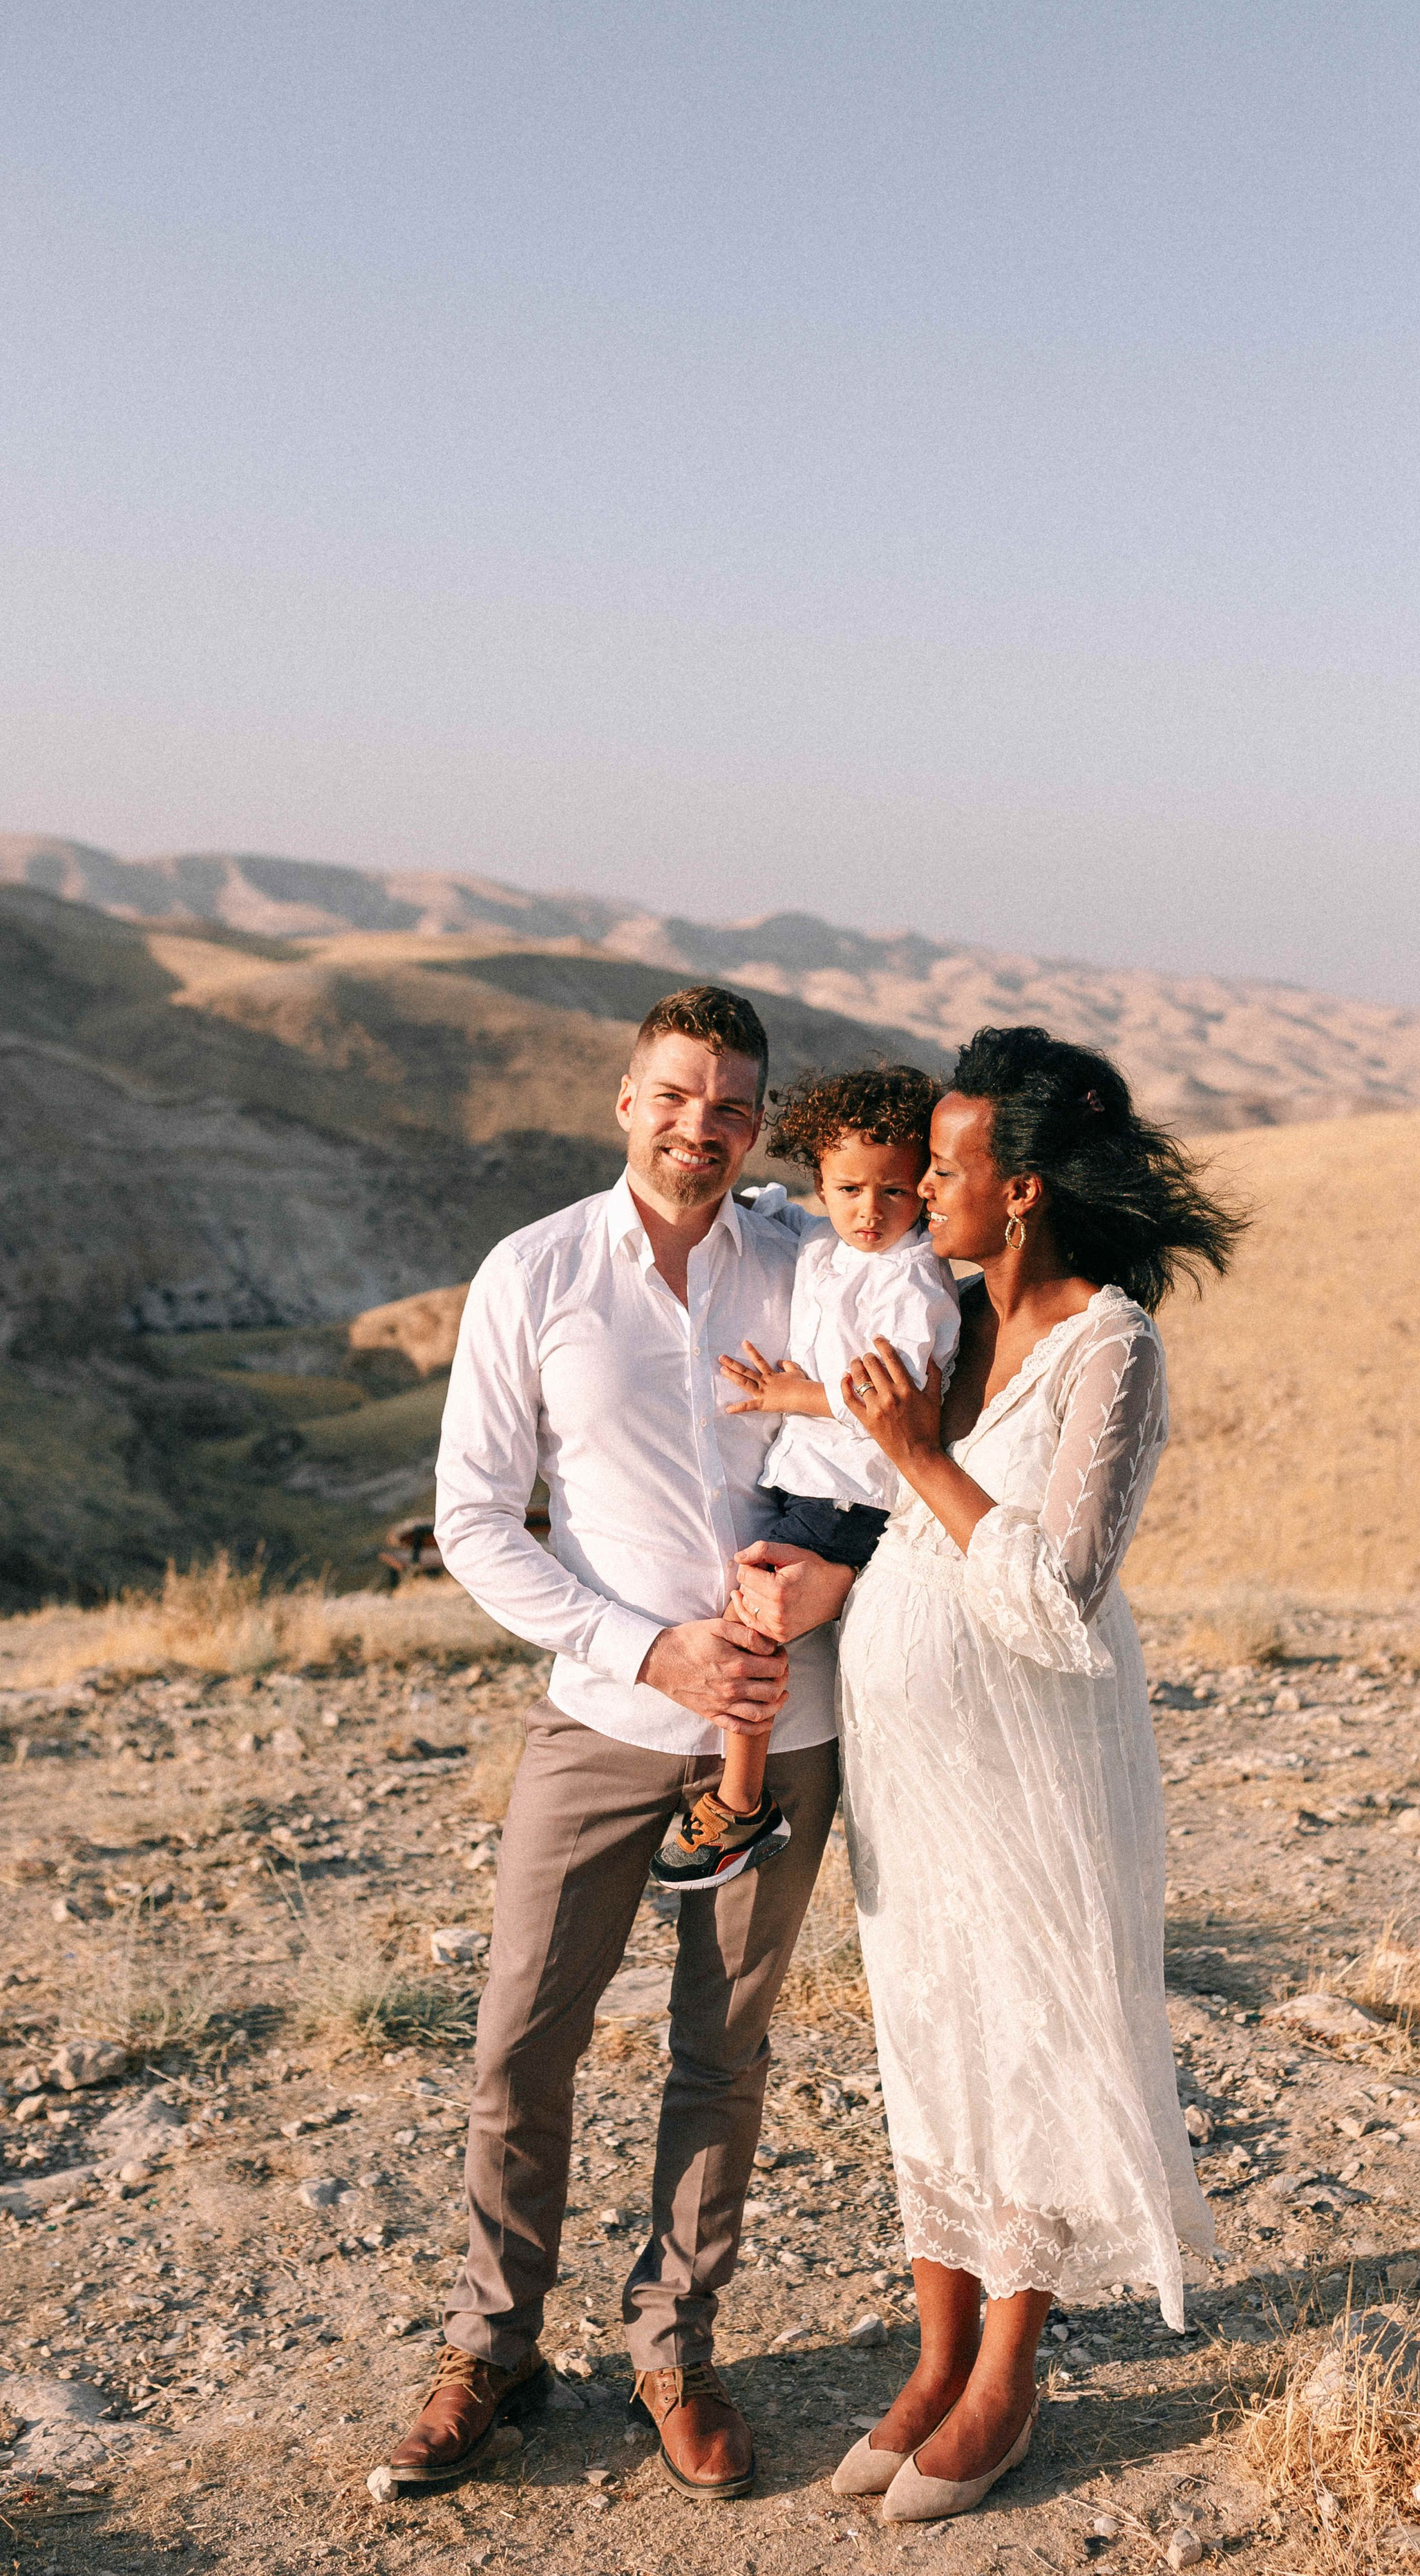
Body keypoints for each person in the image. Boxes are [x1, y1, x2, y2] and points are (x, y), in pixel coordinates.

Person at [381, 986, 853, 2505]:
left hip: (784, 1730)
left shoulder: (809, 1262)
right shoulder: (534, 1271)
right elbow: (472, 1519)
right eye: (672, 1096)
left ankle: (675, 2349)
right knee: (523, 2038)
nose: (696, 1129)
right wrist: (650, 1646)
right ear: (622, 1100)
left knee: (721, 2054)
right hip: (600, 1716)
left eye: (728, 1107)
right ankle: (491, 2350)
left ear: (758, 1123)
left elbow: (893, 1425)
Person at [826, 1024, 1246, 2526]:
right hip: (909, 1765)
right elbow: (897, 1522)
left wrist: (912, 1452)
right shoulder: (946, 1319)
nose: (920, 1191)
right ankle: (934, 2359)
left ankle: (1009, 2370)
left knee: (1027, 2039)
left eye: (946, 1168)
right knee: (927, 2032)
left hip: (1028, 1755)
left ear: (1020, 1192)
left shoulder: (1108, 1346)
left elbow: (1058, 1590)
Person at [650, 1064, 961, 1890]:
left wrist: (795, 1393)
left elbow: (901, 1402)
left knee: (751, 1628)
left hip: (850, 1491)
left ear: (922, 1189)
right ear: (818, 1181)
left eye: (893, 1191)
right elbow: (770, 1211)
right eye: (848, 1188)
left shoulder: (911, 1279)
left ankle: (742, 1804)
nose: (870, 1211)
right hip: (806, 1478)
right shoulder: (823, 1238)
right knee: (760, 1613)